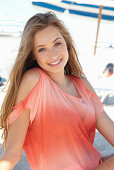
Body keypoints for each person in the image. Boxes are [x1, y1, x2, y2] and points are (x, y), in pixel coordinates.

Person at [0, 12, 114, 170]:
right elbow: (12, 153)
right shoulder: (34, 80)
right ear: (33, 56)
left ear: (67, 43)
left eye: (57, 43)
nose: (53, 54)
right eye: (42, 49)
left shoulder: (83, 84)